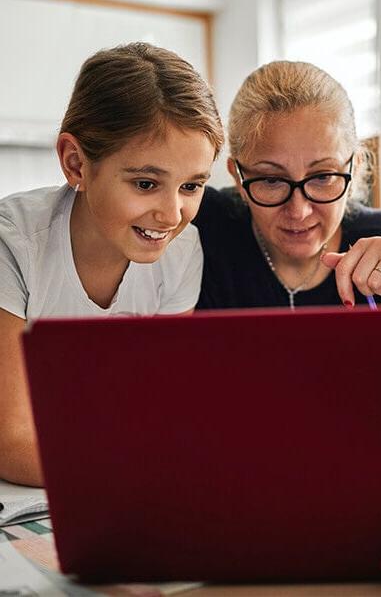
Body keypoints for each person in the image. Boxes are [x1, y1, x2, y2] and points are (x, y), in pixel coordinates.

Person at [193, 61, 381, 398]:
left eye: (323, 177)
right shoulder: (203, 226)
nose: (299, 211)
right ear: (237, 175)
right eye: (270, 180)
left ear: (354, 165)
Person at [0, 42, 224, 486]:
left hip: (98, 473)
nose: (172, 214)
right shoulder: (14, 244)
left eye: (192, 186)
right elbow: (12, 443)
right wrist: (138, 468)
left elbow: (161, 405)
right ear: (76, 163)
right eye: (146, 183)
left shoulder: (181, 251)